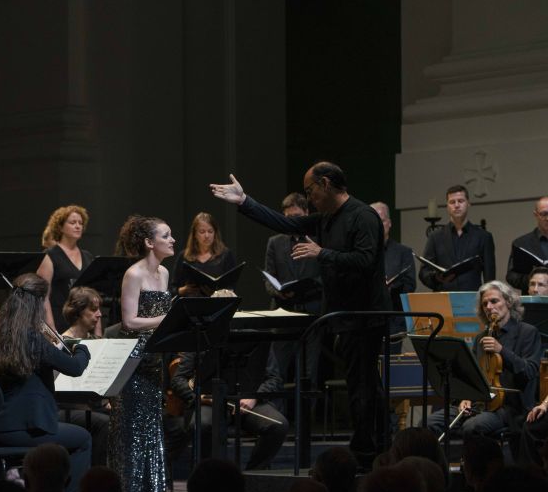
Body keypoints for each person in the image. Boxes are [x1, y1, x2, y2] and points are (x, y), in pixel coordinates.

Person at [211, 163, 389, 459]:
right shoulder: (328, 219)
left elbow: (367, 261)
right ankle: (375, 447)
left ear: (326, 183)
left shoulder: (362, 215)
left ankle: (369, 452)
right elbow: (286, 225)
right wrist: (245, 201)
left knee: (364, 388)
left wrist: (322, 254)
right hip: (345, 319)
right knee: (364, 386)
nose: (309, 199)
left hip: (364, 318)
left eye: (311, 191)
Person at [0, 273, 92, 492]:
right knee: (83, 440)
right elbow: (74, 367)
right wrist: (82, 348)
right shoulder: (33, 339)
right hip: (24, 429)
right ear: (38, 303)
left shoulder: (3, 337)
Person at [109, 215, 174, 492]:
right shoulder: (133, 274)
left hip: (155, 359)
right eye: (166, 235)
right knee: (133, 429)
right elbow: (129, 322)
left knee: (151, 430)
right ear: (150, 242)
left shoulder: (164, 273)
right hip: (135, 360)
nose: (172, 240)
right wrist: (167, 320)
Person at [428, 281, 540, 454]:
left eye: (494, 301)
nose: (489, 307)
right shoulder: (481, 337)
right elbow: (473, 376)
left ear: (508, 302)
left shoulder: (527, 332)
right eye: (485, 304)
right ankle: (437, 472)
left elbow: (529, 372)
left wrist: (501, 350)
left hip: (510, 407)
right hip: (479, 404)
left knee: (472, 426)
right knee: (430, 423)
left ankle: (479, 474)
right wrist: (466, 397)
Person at [169, 348, 289, 470]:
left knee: (278, 425)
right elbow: (178, 380)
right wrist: (199, 397)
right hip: (210, 402)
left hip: (249, 400)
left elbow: (274, 378)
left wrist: (254, 397)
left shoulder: (258, 341)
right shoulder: (201, 339)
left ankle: (254, 473)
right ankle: (210, 475)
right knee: (202, 425)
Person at [262, 192, 322, 416]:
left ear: (306, 214)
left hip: (311, 312)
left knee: (309, 372)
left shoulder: (317, 240)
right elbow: (268, 276)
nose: (292, 221)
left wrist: (311, 286)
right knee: (277, 370)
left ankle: (306, 422)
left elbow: (326, 273)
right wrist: (277, 291)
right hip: (282, 312)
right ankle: (276, 419)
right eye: (288, 217)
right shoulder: (275, 242)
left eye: (296, 216)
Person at [60, 286, 110, 467]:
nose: (99, 315)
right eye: (93, 309)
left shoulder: (95, 340)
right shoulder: (63, 342)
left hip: (91, 405)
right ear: (78, 311)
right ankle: (96, 475)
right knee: (104, 422)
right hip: (68, 406)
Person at [419, 184, 495, 292]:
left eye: (460, 201)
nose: (456, 205)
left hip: (472, 300)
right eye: (452, 202)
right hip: (443, 298)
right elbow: (424, 272)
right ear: (447, 206)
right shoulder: (435, 237)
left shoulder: (484, 237)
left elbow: (490, 278)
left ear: (468, 204)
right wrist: (436, 277)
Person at [36, 205, 95, 334]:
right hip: (60, 322)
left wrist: (98, 331)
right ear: (61, 227)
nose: (78, 226)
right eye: (73, 222)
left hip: (85, 322)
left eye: (80, 223)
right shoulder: (50, 255)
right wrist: (51, 328)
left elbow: (93, 296)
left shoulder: (88, 256)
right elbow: (43, 296)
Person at [371, 201, 416, 350]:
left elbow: (410, 285)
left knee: (392, 367)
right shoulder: (361, 252)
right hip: (367, 319)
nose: (377, 225)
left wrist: (391, 287)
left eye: (382, 220)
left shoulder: (403, 252)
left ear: (389, 223)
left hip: (394, 320)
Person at [170, 211, 237, 296]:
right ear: (195, 234)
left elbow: (232, 287)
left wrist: (216, 293)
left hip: (216, 305)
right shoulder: (184, 256)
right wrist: (182, 290)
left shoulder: (226, 255)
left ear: (215, 233)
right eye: (202, 232)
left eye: (210, 231)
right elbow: (173, 288)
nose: (206, 236)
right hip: (190, 305)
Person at [506, 196, 548, 292]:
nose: (547, 218)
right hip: (533, 300)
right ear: (536, 215)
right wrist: (534, 280)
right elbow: (511, 276)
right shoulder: (521, 244)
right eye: (544, 214)